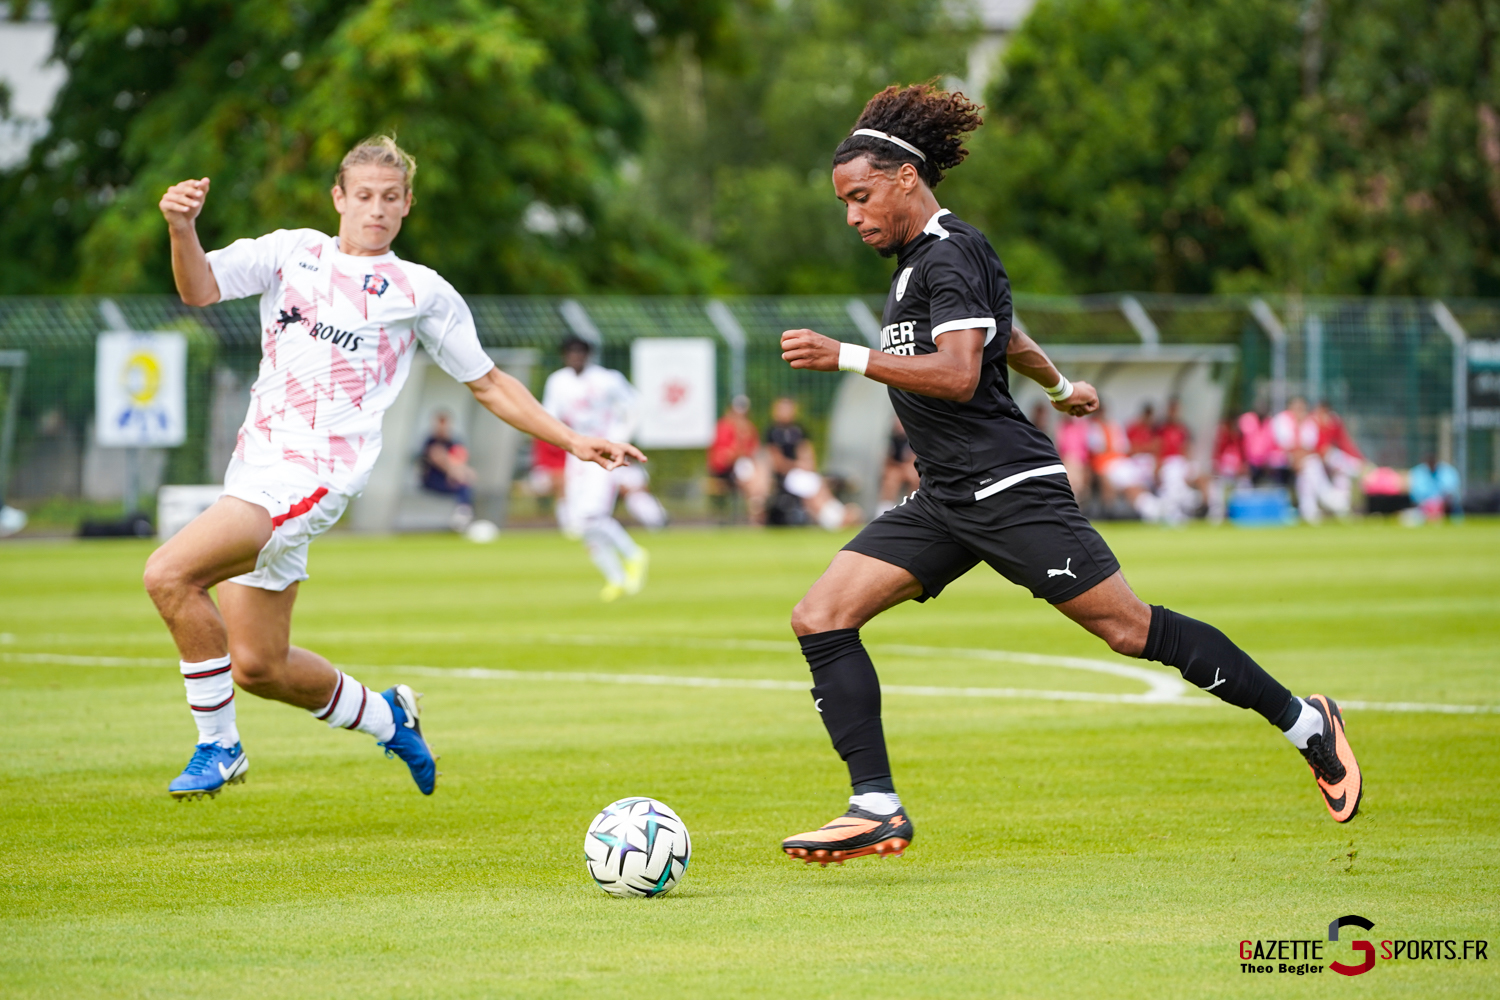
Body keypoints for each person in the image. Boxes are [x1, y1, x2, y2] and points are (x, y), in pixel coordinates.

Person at [773, 84, 1362, 864]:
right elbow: (1003, 333)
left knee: (1129, 629)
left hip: (1007, 488)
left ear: (906, 179)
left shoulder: (947, 252)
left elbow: (955, 372)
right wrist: (1060, 387)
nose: (852, 216)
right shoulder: (928, 260)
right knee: (820, 616)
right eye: (845, 203)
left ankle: (1308, 724)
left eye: (861, 196)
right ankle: (875, 805)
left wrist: (844, 354)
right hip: (948, 495)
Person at [145, 136, 643, 802]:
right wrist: (182, 228)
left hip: (313, 476)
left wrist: (573, 439)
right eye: (364, 196)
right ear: (339, 199)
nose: (375, 210)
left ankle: (219, 746)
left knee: (169, 574)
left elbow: (489, 381)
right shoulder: (292, 251)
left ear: (406, 206)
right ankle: (391, 717)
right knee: (258, 665)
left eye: (390, 198)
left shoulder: (421, 291)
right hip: (254, 470)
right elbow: (199, 287)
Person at [542, 336, 650, 601]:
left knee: (593, 514)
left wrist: (620, 437)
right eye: (570, 352)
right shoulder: (558, 382)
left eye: (580, 352)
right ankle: (615, 577)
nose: (575, 357)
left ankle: (634, 554)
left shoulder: (607, 379)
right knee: (578, 522)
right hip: (576, 453)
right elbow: (549, 416)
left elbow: (635, 405)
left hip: (602, 453)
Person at [762, 396, 859, 530]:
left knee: (818, 484)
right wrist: (797, 465)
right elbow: (777, 463)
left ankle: (839, 514)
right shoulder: (772, 432)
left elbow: (807, 454)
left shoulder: (799, 430)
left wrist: (806, 465)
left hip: (801, 472)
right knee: (810, 488)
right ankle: (833, 520)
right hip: (786, 476)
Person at [419, 410, 476, 531]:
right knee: (461, 482)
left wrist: (465, 472)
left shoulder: (454, 441)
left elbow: (461, 460)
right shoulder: (431, 441)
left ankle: (462, 515)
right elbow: (437, 456)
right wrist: (453, 471)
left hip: (451, 481)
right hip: (433, 480)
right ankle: (462, 516)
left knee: (464, 485)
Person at [707, 395, 760, 522]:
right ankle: (756, 512)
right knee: (748, 472)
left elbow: (755, 452)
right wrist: (739, 441)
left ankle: (757, 508)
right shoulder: (724, 427)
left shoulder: (750, 428)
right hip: (725, 472)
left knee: (754, 471)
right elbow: (722, 460)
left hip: (744, 470)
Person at [877, 416, 920, 516]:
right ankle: (884, 512)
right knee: (891, 480)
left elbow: (913, 459)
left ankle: (912, 510)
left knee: (915, 477)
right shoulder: (891, 439)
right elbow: (887, 459)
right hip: (896, 468)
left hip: (909, 467)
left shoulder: (913, 439)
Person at [1408, 454, 1462, 520]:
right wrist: (1429, 505)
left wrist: (1439, 505)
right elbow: (1416, 495)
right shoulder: (1418, 472)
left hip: (1447, 508)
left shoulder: (1448, 471)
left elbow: (1450, 493)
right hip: (1424, 508)